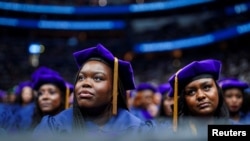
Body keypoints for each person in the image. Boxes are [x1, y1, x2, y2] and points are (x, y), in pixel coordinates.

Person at [32, 43, 154, 140]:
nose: (85, 83)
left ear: (114, 90)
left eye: (98, 78)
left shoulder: (137, 128)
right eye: (81, 78)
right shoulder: (54, 126)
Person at [161, 59, 230, 140]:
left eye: (206, 87)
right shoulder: (168, 133)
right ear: (184, 100)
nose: (200, 96)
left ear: (218, 91)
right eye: (191, 92)